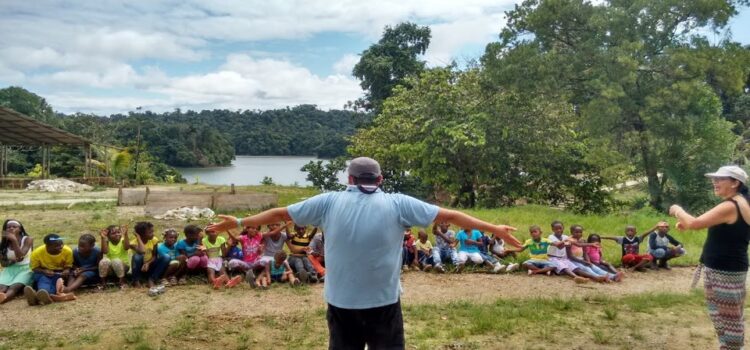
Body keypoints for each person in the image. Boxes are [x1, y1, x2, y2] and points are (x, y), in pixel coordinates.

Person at [206, 157, 520, 350]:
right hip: (383, 301)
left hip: (341, 301)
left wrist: (237, 222)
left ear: (350, 180)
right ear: (380, 180)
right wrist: (495, 227)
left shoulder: (328, 202)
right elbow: (450, 216)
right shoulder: (398, 203)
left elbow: (280, 213)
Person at [670, 165, 750, 350]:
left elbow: (695, 223)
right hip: (727, 268)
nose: (715, 182)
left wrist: (677, 210)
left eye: (720, 178)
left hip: (724, 270)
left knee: (728, 319)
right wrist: (687, 223)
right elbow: (727, 227)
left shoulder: (730, 205)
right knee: (725, 316)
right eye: (714, 178)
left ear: (735, 182)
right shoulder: (741, 201)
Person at [25, 234, 76, 305]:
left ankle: (38, 297)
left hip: (59, 274)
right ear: (48, 246)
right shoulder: (37, 253)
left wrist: (66, 270)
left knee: (56, 282)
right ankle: (43, 295)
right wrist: (44, 271)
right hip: (42, 273)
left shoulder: (67, 251)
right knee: (44, 281)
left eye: (62, 244)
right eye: (57, 246)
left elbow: (68, 266)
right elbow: (34, 268)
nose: (61, 247)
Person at [0, 219, 33, 304]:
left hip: (25, 269)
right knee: (2, 287)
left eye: (14, 227)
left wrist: (14, 240)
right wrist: (12, 261)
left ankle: (4, 299)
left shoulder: (27, 239)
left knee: (14, 287)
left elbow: (21, 255)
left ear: (20, 229)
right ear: (5, 230)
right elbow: (3, 264)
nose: (11, 228)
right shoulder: (3, 244)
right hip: (10, 269)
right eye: (8, 227)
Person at [131, 221, 169, 289]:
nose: (153, 234)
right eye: (150, 232)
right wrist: (138, 238)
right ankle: (136, 281)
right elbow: (142, 251)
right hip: (139, 268)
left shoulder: (154, 240)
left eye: (152, 232)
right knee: (137, 256)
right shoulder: (133, 243)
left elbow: (154, 256)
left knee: (166, 257)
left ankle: (151, 279)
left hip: (149, 266)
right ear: (141, 234)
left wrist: (148, 263)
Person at [98, 225, 131, 289]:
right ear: (108, 236)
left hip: (124, 267)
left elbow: (127, 247)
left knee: (116, 260)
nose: (117, 234)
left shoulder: (123, 240)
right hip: (111, 268)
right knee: (104, 261)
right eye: (113, 233)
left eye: (118, 232)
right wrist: (103, 238)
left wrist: (126, 235)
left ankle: (122, 283)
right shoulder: (107, 242)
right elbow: (105, 252)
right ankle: (103, 284)